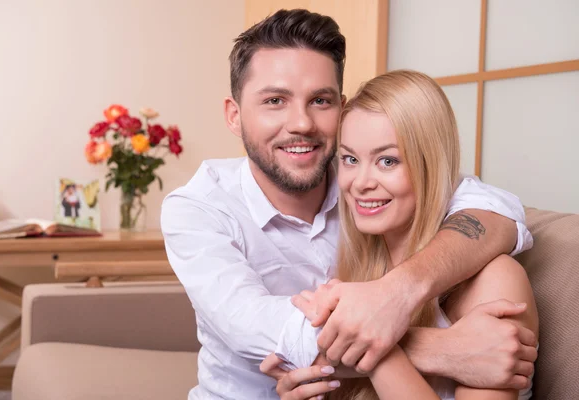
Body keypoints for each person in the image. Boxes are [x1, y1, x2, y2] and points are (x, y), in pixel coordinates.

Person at [160, 9, 536, 399]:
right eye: (275, 100)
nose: (301, 123)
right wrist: (447, 350)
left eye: (320, 101)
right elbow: (260, 330)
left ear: (340, 109)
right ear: (234, 116)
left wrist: (399, 291)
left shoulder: (363, 187)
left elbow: (496, 211)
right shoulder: (199, 208)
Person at [261, 70, 539, 399]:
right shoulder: (361, 271)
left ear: (430, 164)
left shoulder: (495, 280)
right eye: (350, 159)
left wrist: (373, 343)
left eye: (387, 161)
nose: (360, 182)